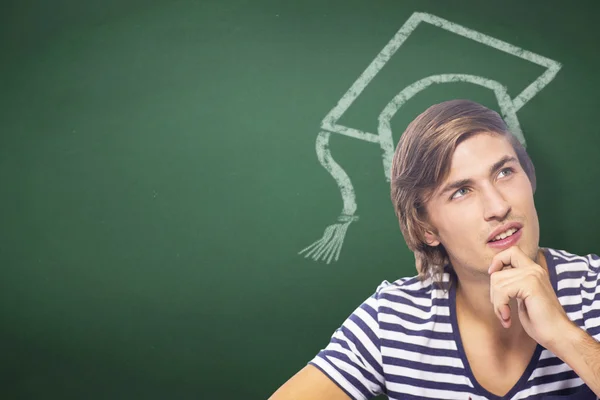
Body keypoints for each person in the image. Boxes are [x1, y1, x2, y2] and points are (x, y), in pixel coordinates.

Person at [269, 99, 600, 399]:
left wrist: (564, 336)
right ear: (426, 229)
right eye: (460, 192)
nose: (498, 206)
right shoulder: (392, 320)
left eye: (504, 172)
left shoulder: (594, 288)